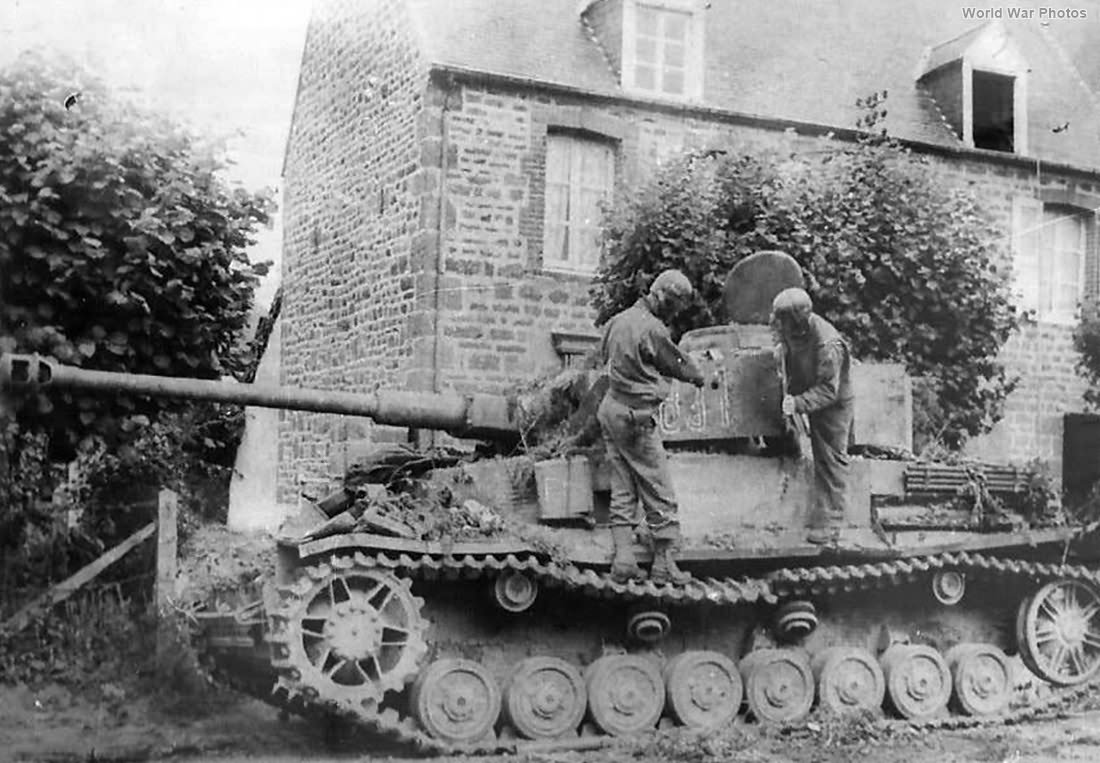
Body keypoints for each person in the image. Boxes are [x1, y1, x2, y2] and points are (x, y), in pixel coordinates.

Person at [597, 269, 705, 584]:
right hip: (636, 417)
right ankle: (664, 564)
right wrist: (698, 374)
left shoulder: (617, 320)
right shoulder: (653, 329)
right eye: (673, 305)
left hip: (611, 409)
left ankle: (624, 560)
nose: (674, 312)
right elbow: (679, 364)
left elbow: (605, 357)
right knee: (659, 489)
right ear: (660, 296)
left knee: (623, 485)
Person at [771, 287, 854, 545]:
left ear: (797, 319)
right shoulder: (793, 327)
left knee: (829, 459)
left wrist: (797, 403)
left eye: (783, 321)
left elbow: (829, 391)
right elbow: (783, 342)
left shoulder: (828, 344)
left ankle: (831, 525)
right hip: (805, 391)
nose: (779, 325)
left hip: (833, 406)